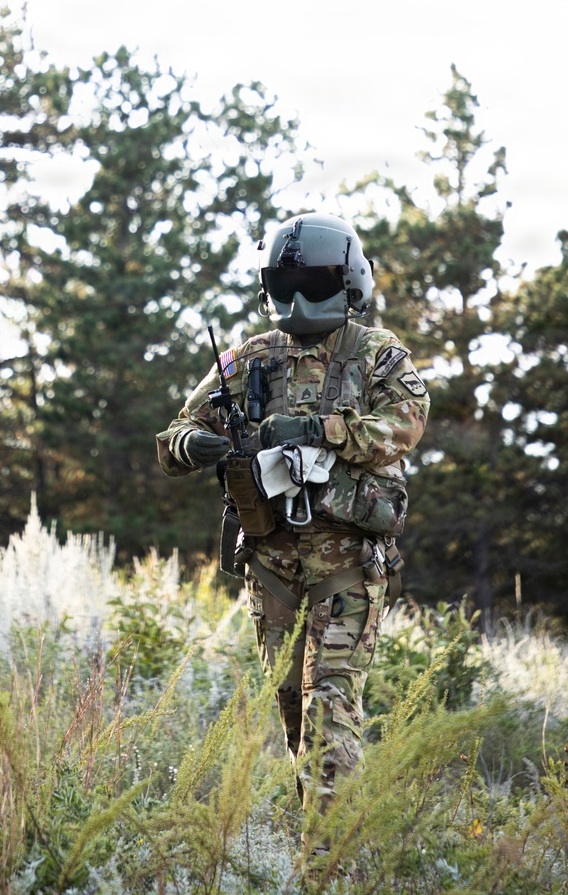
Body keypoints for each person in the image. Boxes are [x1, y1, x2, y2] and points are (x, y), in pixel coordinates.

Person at [156, 212, 430, 828]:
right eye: (287, 283)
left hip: (348, 565)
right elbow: (177, 433)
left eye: (314, 280)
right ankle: (317, 832)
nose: (299, 297)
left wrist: (319, 430)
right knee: (289, 705)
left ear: (347, 279)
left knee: (330, 706)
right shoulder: (250, 358)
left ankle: (329, 854)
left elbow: (404, 426)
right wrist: (189, 447)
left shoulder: (378, 355)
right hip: (272, 566)